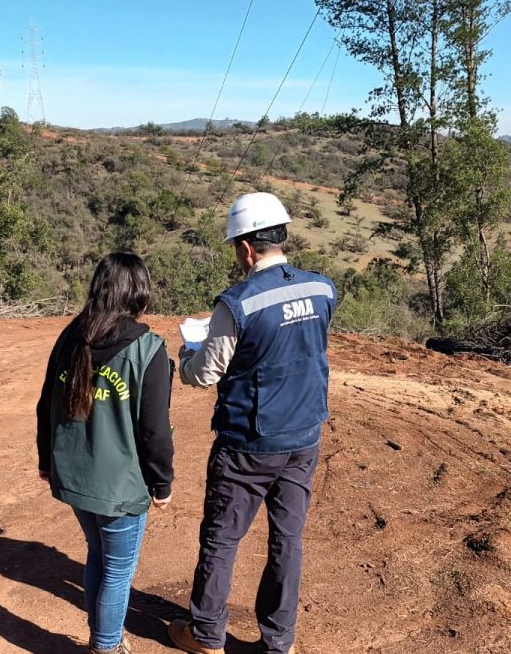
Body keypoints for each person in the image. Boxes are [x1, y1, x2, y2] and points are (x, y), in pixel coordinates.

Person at [168, 193, 336, 654]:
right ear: (280, 235)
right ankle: (278, 640)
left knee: (222, 538)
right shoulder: (322, 288)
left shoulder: (236, 302)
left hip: (248, 442)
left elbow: (205, 373)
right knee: (288, 539)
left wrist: (186, 355)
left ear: (245, 248)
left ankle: (205, 634)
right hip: (304, 435)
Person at [36, 252, 175, 654]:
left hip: (75, 479)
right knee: (117, 569)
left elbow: (46, 405)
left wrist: (47, 461)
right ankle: (107, 646)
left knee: (97, 554)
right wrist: (162, 483)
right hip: (120, 488)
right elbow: (155, 431)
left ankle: (104, 637)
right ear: (139, 297)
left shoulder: (71, 337)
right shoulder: (148, 350)